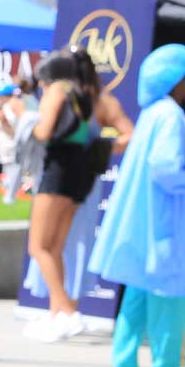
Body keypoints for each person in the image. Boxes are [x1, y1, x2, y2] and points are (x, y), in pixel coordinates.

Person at [87, 44, 185, 367]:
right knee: (170, 298)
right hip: (166, 226)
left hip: (147, 225)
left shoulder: (152, 114)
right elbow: (167, 169)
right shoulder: (172, 116)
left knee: (136, 300)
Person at [22, 47, 134, 342]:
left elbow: (44, 132)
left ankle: (68, 313)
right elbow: (123, 133)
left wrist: (26, 120)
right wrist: (105, 147)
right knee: (56, 245)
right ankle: (60, 311)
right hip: (82, 174)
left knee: (39, 247)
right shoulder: (93, 97)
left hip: (58, 170)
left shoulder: (59, 90)